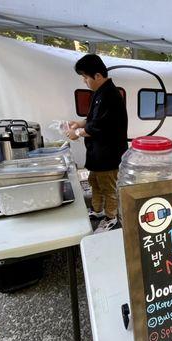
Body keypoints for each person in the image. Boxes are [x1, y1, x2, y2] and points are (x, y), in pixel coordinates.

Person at [66, 54, 128, 233]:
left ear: (98, 76)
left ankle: (111, 217)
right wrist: (78, 124)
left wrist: (76, 133)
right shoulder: (100, 93)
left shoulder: (111, 95)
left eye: (86, 77)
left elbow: (98, 126)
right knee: (95, 181)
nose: (84, 81)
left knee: (108, 186)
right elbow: (91, 119)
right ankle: (98, 210)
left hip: (109, 153)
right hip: (98, 152)